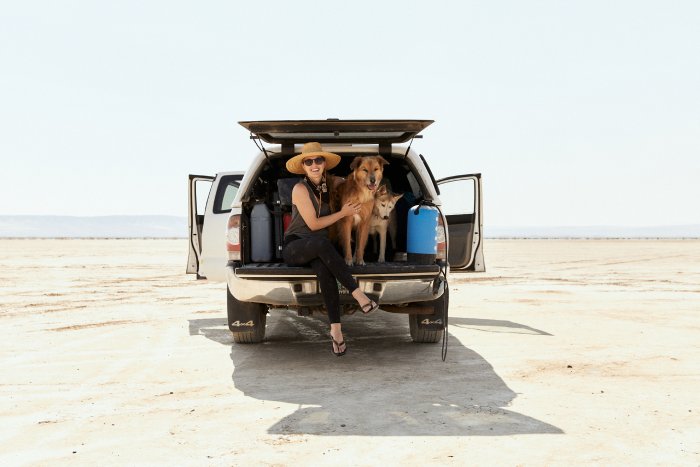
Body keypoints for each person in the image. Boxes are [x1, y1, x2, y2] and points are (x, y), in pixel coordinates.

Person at [282, 142, 379, 356]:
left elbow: (353, 183)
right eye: (309, 162)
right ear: (303, 166)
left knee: (326, 271)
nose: (314, 165)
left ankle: (336, 332)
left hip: (318, 248)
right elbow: (314, 225)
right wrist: (344, 213)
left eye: (318, 160)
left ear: (324, 163)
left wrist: (369, 184)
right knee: (322, 243)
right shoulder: (300, 189)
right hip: (296, 246)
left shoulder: (331, 183)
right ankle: (360, 296)